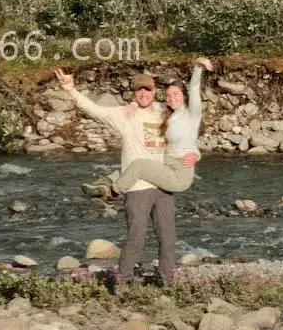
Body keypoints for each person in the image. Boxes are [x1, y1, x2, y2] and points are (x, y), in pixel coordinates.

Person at [52, 65, 179, 286]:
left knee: (167, 239)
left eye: (147, 90)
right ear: (133, 92)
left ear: (154, 91)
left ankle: (167, 282)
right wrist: (71, 90)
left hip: (164, 185)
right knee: (136, 239)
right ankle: (124, 283)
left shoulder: (164, 110)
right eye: (139, 90)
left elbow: (188, 107)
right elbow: (95, 111)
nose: (143, 94)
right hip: (137, 187)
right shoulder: (124, 114)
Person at [112, 58, 212, 194]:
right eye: (168, 96)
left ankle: (112, 192)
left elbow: (194, 87)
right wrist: (133, 104)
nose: (172, 98)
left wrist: (199, 66)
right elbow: (146, 102)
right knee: (140, 166)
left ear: (184, 96)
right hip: (167, 166)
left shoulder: (192, 113)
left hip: (179, 174)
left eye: (176, 94)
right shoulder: (169, 113)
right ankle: (114, 178)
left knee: (138, 166)